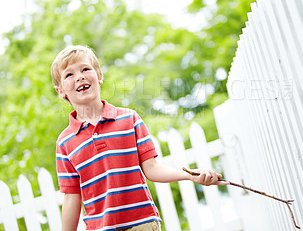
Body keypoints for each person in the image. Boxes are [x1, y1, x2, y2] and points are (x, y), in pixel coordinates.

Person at [51, 45, 228, 231]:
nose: (79, 76)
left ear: (99, 75)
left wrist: (190, 176)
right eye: (69, 75)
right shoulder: (65, 143)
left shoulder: (129, 119)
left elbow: (152, 169)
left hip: (142, 224)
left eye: (85, 69)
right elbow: (71, 197)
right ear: (61, 90)